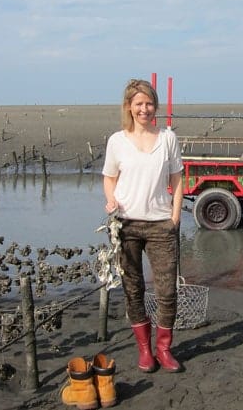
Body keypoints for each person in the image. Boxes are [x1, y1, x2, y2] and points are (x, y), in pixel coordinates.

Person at [102, 79, 184, 373]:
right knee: (133, 288)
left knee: (167, 290)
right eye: (139, 103)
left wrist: (175, 217)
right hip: (126, 225)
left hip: (161, 224)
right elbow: (109, 177)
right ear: (129, 107)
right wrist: (111, 200)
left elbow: (177, 179)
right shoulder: (117, 141)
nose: (144, 109)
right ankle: (145, 350)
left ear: (155, 107)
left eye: (149, 103)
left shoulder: (168, 138)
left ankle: (164, 348)